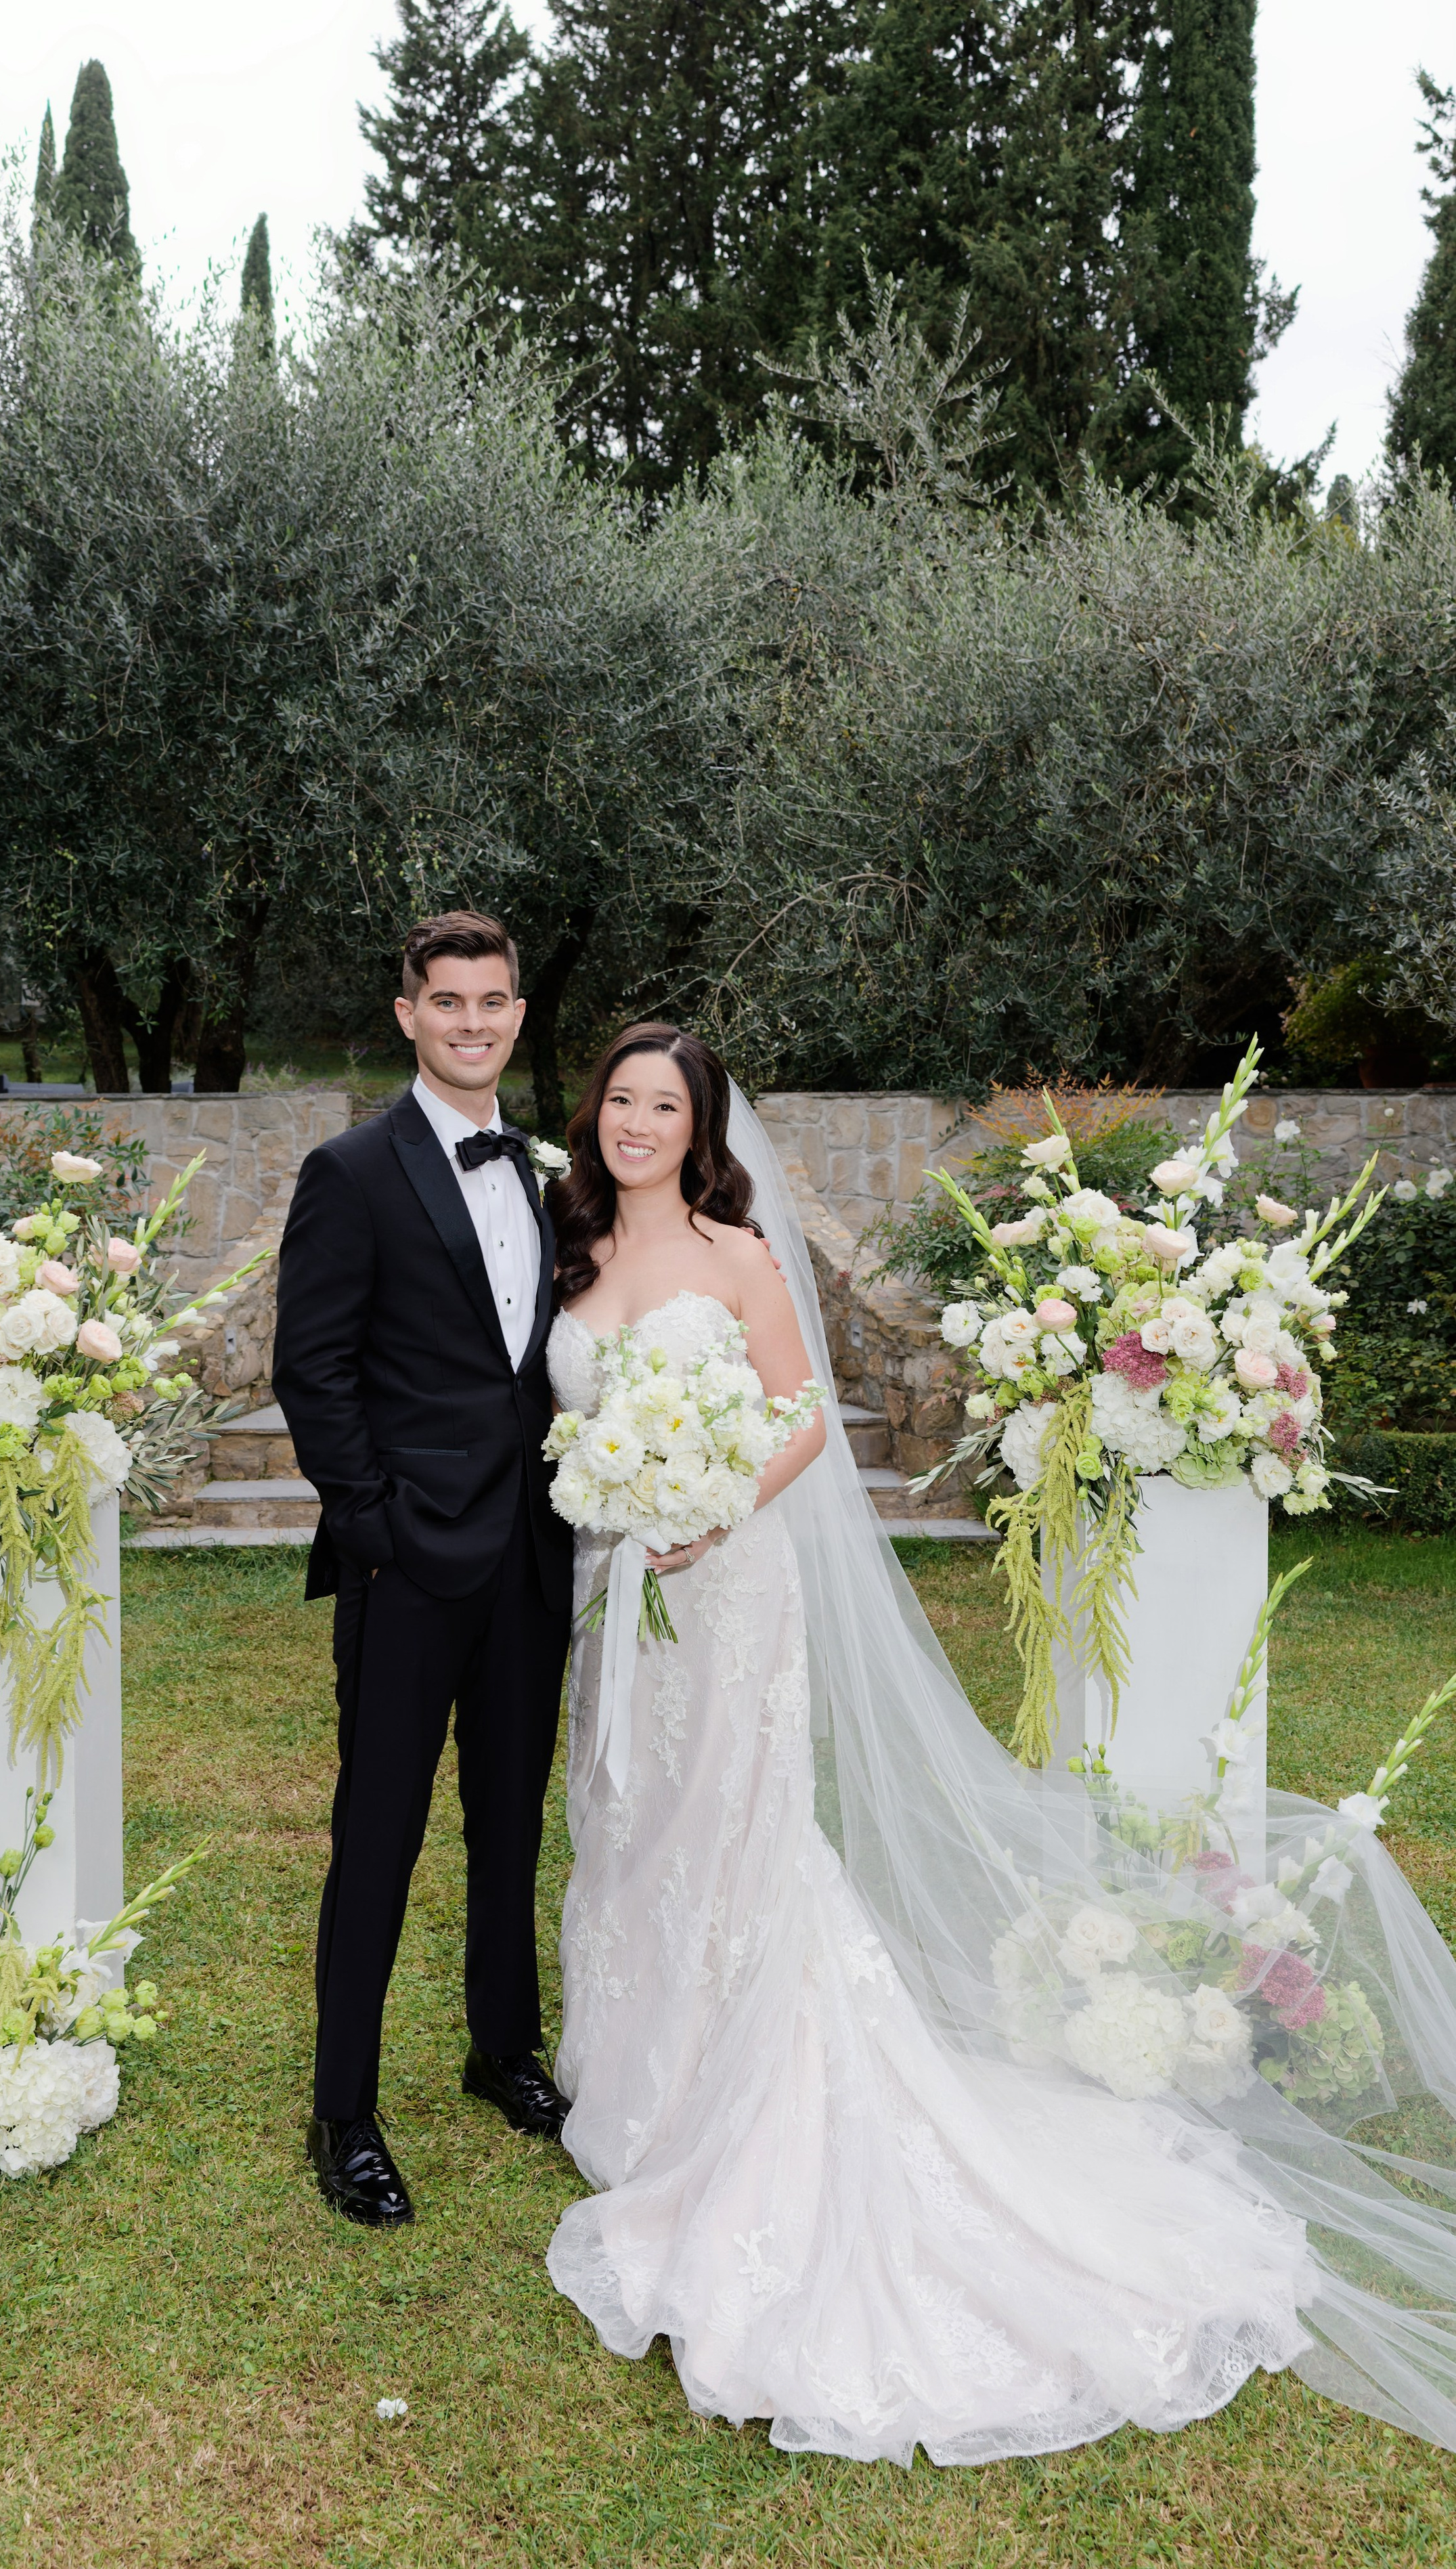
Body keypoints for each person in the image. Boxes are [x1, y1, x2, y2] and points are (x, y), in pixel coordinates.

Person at [542, 1021, 1456, 2464]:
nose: (636, 1122)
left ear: (700, 1127)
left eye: (664, 1104)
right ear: (594, 1113)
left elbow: (800, 1422)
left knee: (725, 1820)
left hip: (724, 1585)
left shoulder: (737, 1255)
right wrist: (621, 1494)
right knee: (631, 1817)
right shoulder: (575, 1251)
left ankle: (725, 2080)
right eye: (619, 1099)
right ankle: (630, 2075)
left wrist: (708, 1508)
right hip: (619, 1596)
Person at [272, 910, 574, 2227]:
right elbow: (311, 1368)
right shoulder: (351, 1171)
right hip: (406, 1564)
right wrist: (375, 1527)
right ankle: (343, 2112)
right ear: (408, 1014)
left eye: (491, 1001)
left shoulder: (551, 1174)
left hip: (532, 1553)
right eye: (446, 1001)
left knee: (510, 1821)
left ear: (517, 1015)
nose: (470, 1022)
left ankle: (500, 2049)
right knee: (378, 1836)